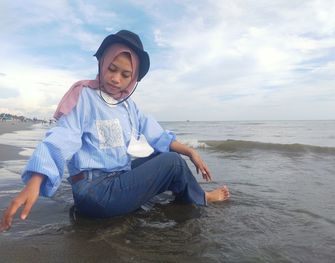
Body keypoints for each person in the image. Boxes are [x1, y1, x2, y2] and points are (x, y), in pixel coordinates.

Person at [0, 30, 229, 231]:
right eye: (112, 69)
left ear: (133, 79)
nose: (116, 79)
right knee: (173, 163)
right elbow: (62, 137)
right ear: (102, 62)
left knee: (162, 156)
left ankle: (190, 196)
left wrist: (191, 151)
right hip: (95, 193)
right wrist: (35, 181)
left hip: (115, 181)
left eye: (125, 75)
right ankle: (201, 198)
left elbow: (157, 135)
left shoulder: (127, 106)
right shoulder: (85, 96)